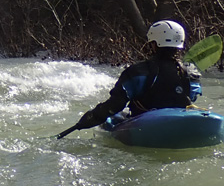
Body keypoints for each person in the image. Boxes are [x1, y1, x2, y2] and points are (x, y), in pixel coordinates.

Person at [66, 20, 202, 134]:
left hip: (147, 125)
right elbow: (193, 96)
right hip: (182, 122)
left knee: (115, 117)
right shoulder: (191, 72)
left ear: (154, 44)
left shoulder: (138, 71)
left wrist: (92, 117)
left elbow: (115, 105)